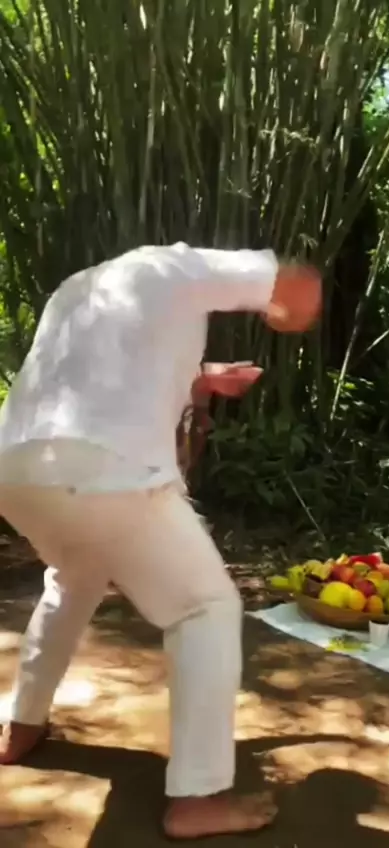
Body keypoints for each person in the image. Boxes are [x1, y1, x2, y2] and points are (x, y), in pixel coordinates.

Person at [0, 243, 321, 839]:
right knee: (205, 607)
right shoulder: (172, 264)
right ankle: (197, 797)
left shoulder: (75, 291)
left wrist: (204, 379)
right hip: (105, 468)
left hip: (16, 471)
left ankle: (20, 725)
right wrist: (292, 307)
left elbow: (109, 371)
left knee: (72, 582)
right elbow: (295, 288)